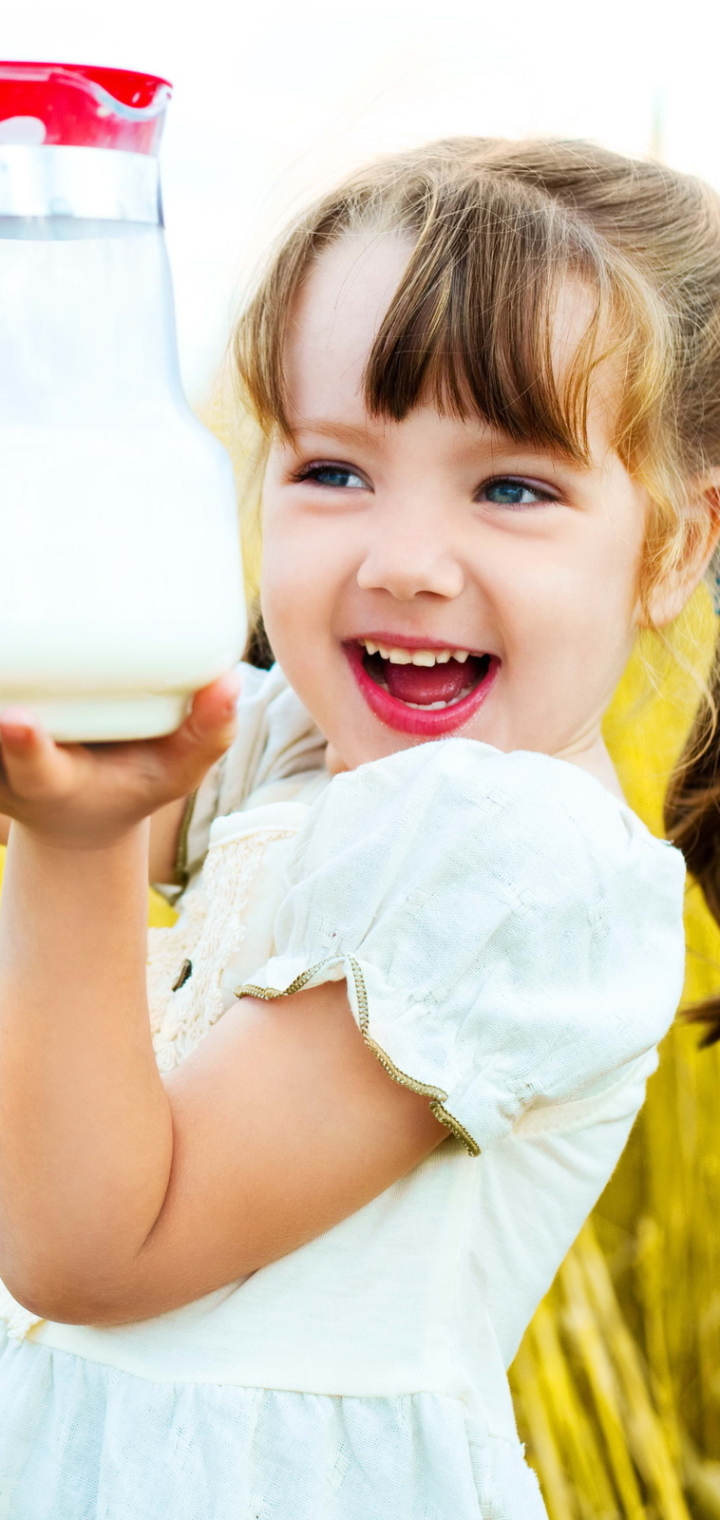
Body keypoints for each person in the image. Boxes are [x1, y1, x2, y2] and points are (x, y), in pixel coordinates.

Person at [0, 136, 716, 1520]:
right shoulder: (306, 749)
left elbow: (95, 1251)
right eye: (333, 470)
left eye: (512, 488)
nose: (401, 560)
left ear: (676, 546)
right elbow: (79, 731)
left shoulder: (518, 867)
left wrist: (77, 843)